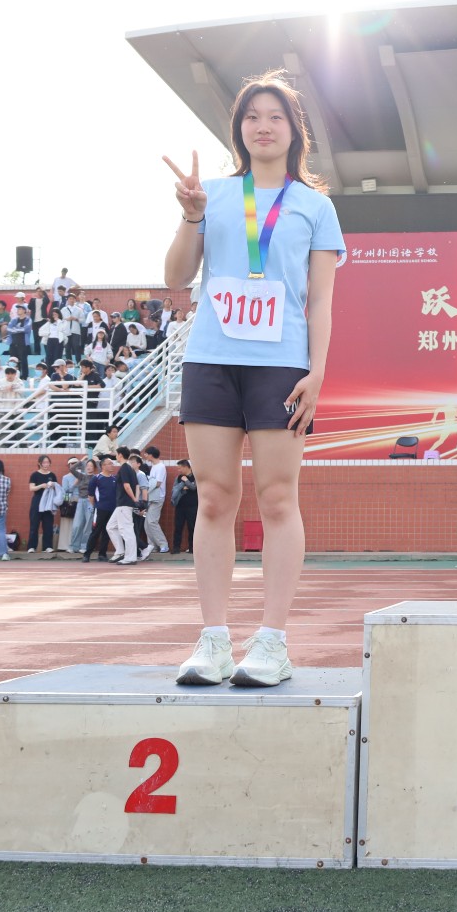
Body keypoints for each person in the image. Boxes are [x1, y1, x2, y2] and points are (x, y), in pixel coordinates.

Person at [163, 69, 344, 687]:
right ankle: (214, 639)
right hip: (211, 359)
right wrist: (191, 217)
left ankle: (272, 642)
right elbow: (175, 277)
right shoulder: (212, 195)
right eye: (251, 117)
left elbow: (320, 301)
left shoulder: (314, 206)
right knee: (214, 497)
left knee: (276, 498)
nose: (262, 127)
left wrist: (317, 372)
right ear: (238, 129)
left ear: (295, 130)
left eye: (275, 117)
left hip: (282, 366)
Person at [83, 457, 119, 563]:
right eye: (109, 463)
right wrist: (97, 506)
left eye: (112, 463)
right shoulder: (96, 478)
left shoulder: (115, 479)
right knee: (95, 532)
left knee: (107, 532)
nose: (112, 465)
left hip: (112, 510)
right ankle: (87, 554)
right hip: (100, 509)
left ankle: (102, 554)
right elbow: (90, 496)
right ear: (103, 466)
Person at [110, 451, 143, 565]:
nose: (116, 456)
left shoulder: (124, 468)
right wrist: (136, 499)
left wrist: (134, 499)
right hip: (123, 504)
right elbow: (137, 486)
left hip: (124, 504)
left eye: (116, 454)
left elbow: (127, 486)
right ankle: (120, 552)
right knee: (111, 526)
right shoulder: (131, 469)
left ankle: (130, 558)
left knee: (126, 530)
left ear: (120, 455)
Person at [25, 455, 59, 553]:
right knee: (34, 524)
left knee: (48, 524)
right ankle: (31, 547)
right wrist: (41, 486)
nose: (46, 464)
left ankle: (47, 546)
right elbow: (31, 488)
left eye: (48, 462)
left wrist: (53, 485)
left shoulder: (52, 475)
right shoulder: (35, 475)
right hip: (37, 501)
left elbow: (56, 488)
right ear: (39, 463)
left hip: (49, 502)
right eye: (44, 462)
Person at [142, 444, 169, 559]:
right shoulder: (154, 466)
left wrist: (146, 490)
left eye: (146, 454)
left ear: (151, 455)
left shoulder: (160, 467)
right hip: (152, 497)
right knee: (147, 523)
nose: (145, 456)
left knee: (152, 522)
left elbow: (158, 483)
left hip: (157, 498)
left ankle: (163, 544)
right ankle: (152, 545)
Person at [64, 457, 94, 555]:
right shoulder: (82, 476)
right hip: (81, 501)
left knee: (88, 526)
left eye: (91, 466)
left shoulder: (96, 477)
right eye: (87, 465)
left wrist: (96, 461)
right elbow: (72, 469)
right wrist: (81, 461)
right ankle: (73, 546)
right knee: (77, 525)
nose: (89, 467)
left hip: (90, 501)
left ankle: (84, 546)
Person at [171, 458, 197, 553]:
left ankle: (192, 548)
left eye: (180, 468)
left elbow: (194, 488)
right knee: (178, 527)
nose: (179, 470)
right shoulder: (178, 478)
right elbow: (175, 489)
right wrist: (184, 488)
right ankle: (176, 547)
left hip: (192, 506)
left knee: (192, 527)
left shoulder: (195, 476)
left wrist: (186, 481)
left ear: (186, 467)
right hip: (180, 506)